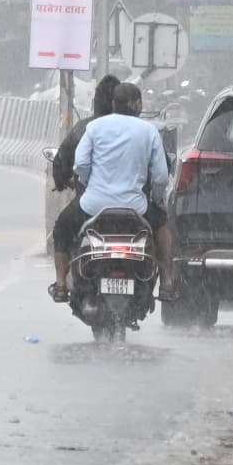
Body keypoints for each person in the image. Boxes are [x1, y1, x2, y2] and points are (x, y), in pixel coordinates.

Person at [50, 80, 170, 302]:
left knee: (62, 228)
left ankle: (59, 284)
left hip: (94, 205)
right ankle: (167, 283)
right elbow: (161, 176)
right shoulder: (149, 131)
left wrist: (88, 186)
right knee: (162, 229)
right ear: (136, 105)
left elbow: (80, 165)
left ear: (113, 103)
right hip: (136, 208)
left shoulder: (94, 128)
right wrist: (156, 198)